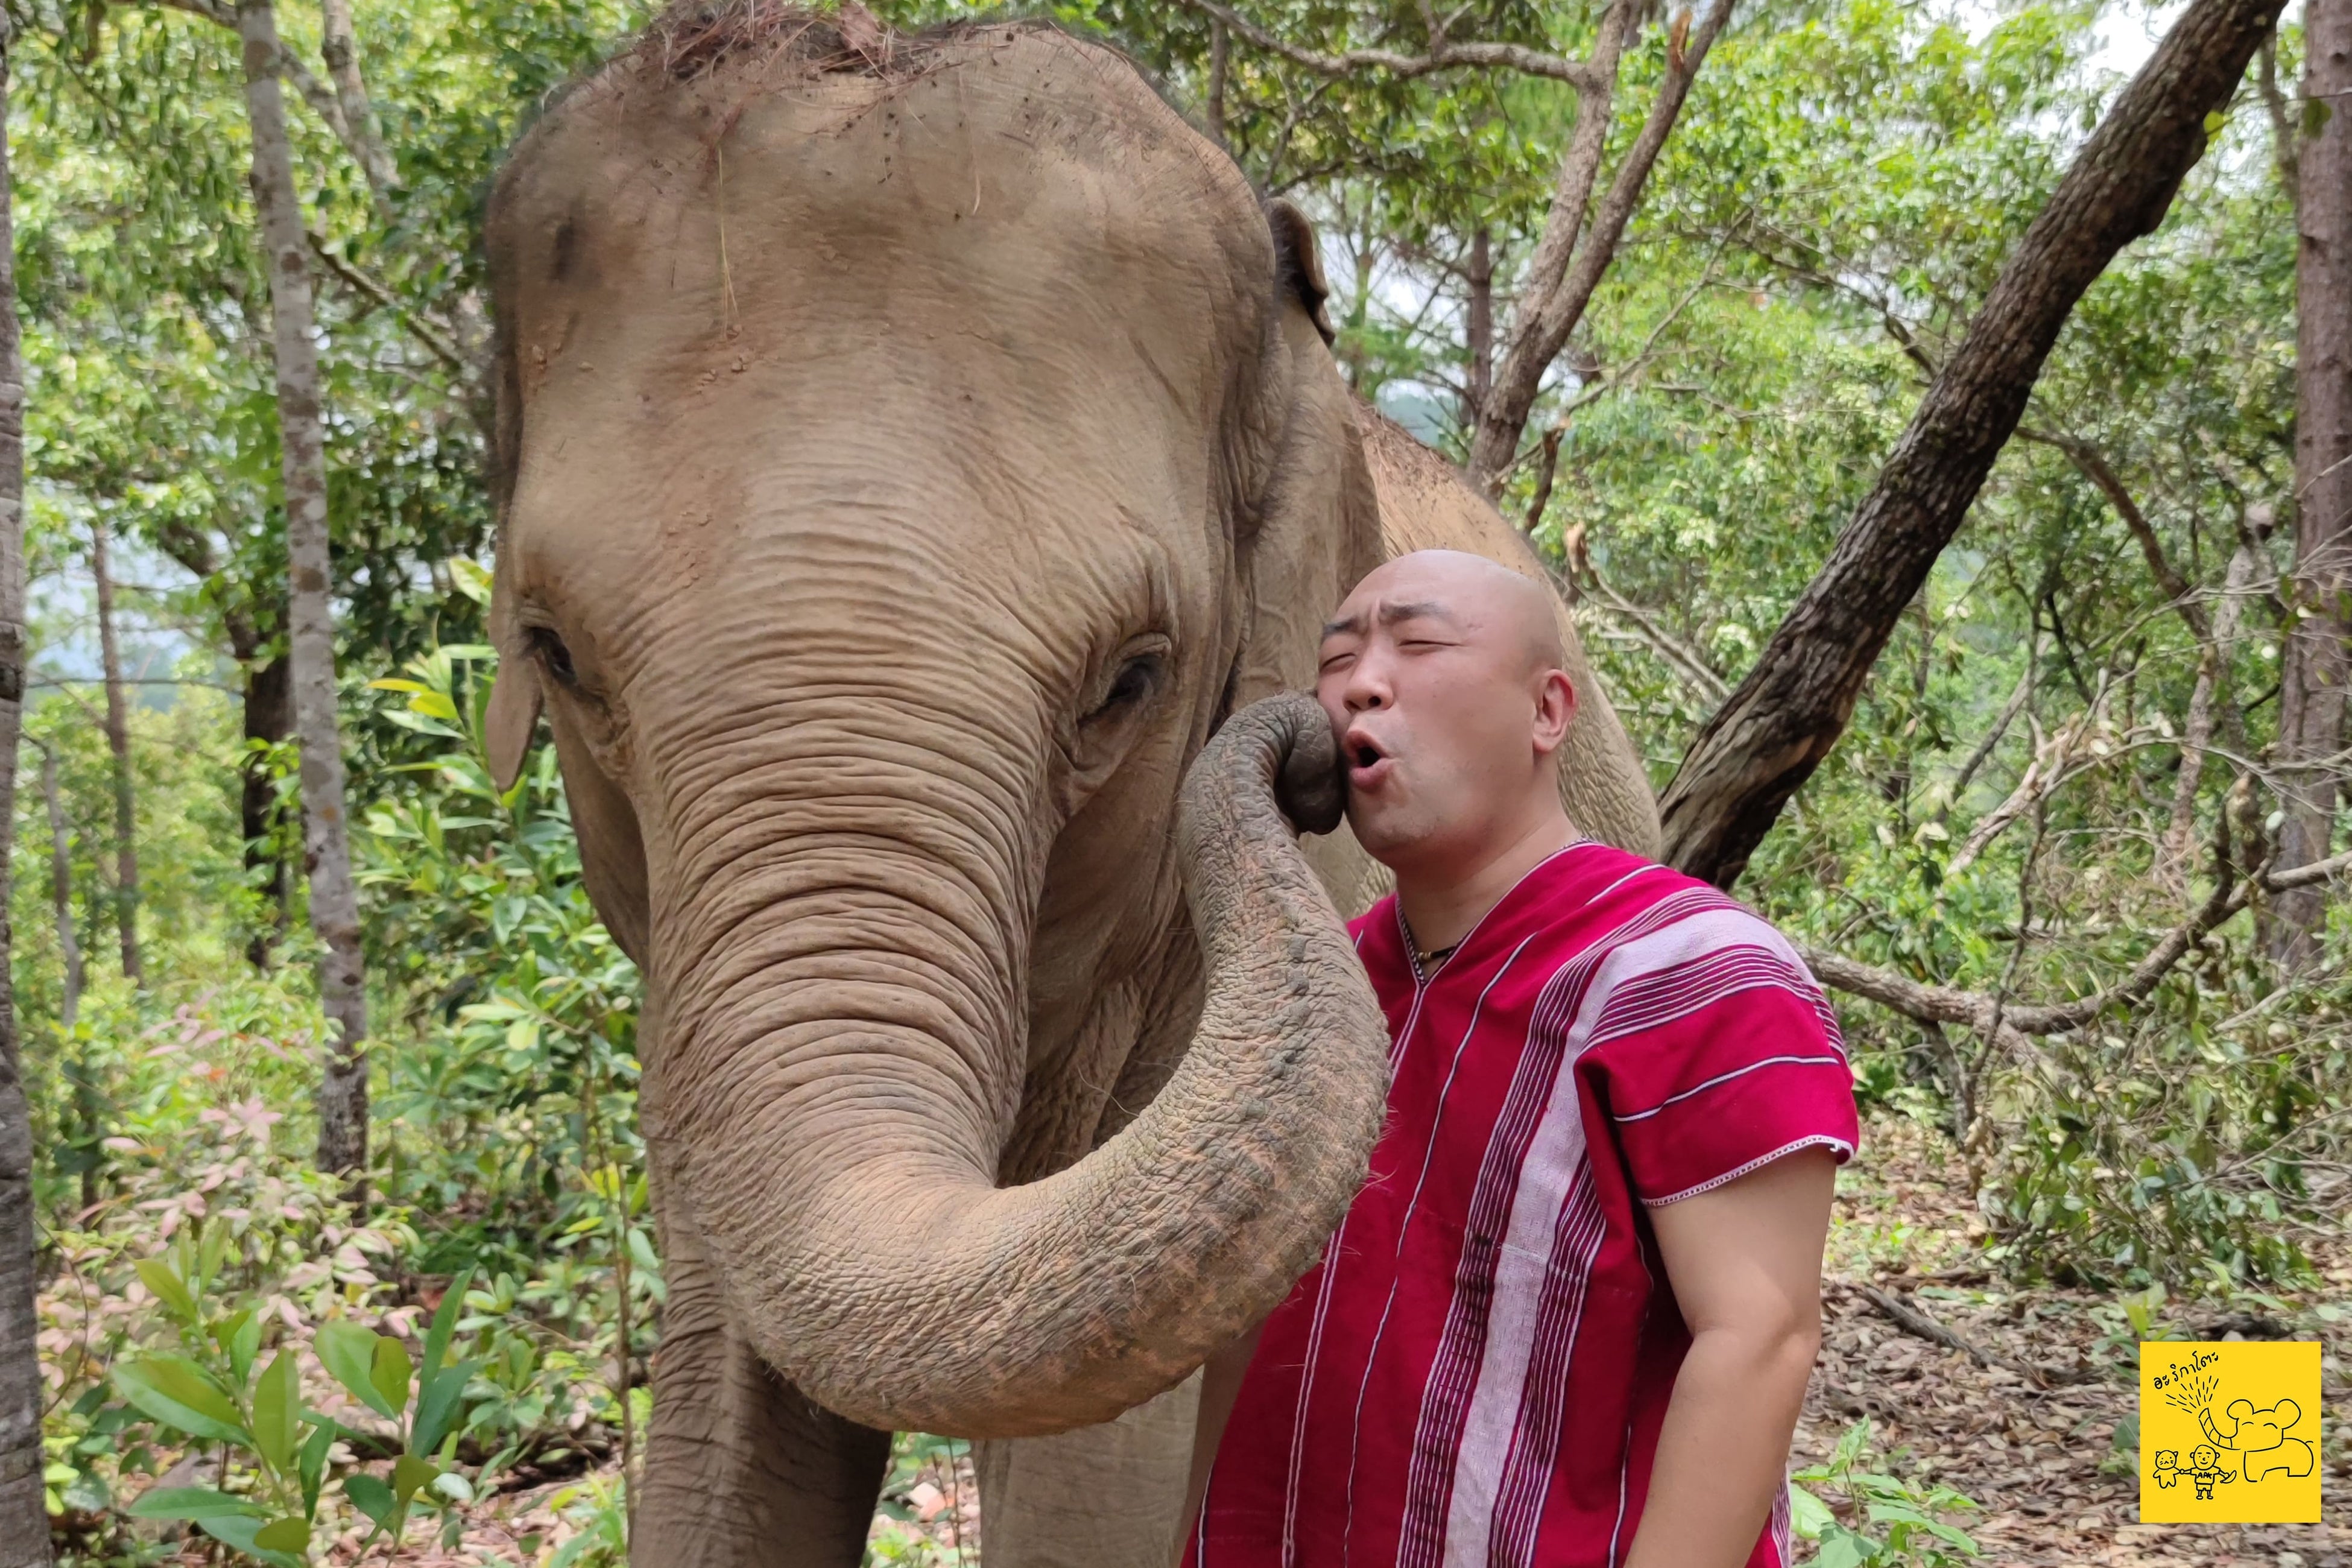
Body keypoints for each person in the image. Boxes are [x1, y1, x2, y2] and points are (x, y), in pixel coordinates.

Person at [1179, 550, 1859, 1568]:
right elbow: (1249, 1321)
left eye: (1418, 644)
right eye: (1339, 656)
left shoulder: (1698, 975)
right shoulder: (1323, 984)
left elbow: (1760, 1341)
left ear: (1548, 712)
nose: (1363, 679)